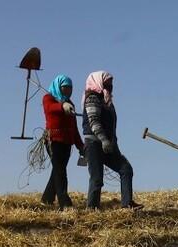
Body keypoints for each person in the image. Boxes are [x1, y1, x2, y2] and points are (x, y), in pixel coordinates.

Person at [82, 71, 141, 210]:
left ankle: (127, 204)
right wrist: (103, 140)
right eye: (107, 84)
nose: (110, 87)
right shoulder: (92, 98)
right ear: (99, 82)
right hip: (94, 143)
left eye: (111, 84)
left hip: (108, 145)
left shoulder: (107, 100)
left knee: (126, 169)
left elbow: (112, 126)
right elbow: (94, 122)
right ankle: (92, 209)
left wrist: (113, 143)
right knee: (97, 179)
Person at [40, 74, 84, 209]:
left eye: (70, 88)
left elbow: (74, 128)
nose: (68, 90)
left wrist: (80, 146)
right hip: (53, 141)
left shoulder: (70, 104)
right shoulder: (48, 98)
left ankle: (46, 199)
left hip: (67, 143)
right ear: (58, 87)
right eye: (65, 87)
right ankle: (64, 203)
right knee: (60, 171)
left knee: (58, 170)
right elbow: (49, 108)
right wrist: (61, 106)